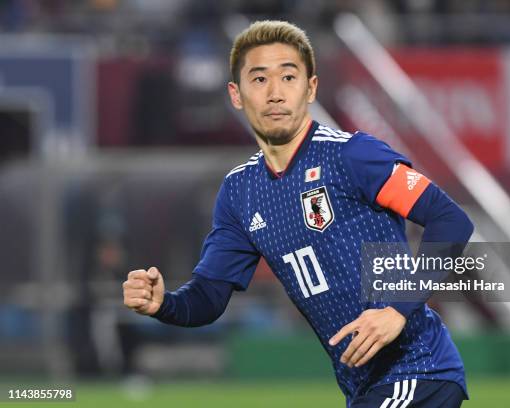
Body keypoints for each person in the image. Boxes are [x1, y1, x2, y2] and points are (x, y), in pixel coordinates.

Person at [122, 20, 473, 407]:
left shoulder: (352, 156)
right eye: (259, 80)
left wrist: (397, 308)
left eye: (288, 77)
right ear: (236, 95)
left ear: (311, 88)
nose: (275, 94)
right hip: (365, 389)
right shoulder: (240, 192)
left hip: (418, 371)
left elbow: (451, 220)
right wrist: (164, 304)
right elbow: (208, 296)